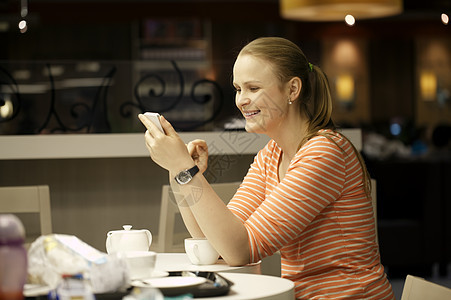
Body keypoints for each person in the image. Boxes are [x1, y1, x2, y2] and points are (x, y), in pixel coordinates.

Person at [138, 37, 395, 299]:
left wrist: (185, 169)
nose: (241, 100)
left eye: (253, 88)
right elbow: (216, 244)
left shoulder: (324, 153)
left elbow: (240, 250)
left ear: (293, 90)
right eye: (238, 89)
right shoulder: (270, 155)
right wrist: (179, 171)